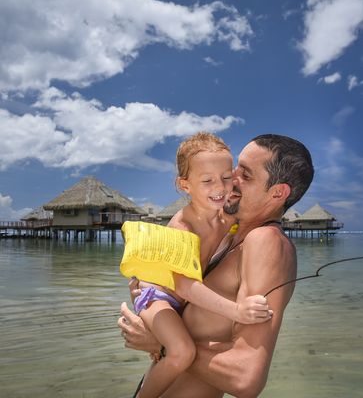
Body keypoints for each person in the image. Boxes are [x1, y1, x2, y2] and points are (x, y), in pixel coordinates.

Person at [118, 134, 314, 397]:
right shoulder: (228, 233)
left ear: (278, 192)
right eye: (234, 170)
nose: (231, 180)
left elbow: (247, 378)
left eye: (245, 176)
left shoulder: (265, 242)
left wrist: (164, 345)